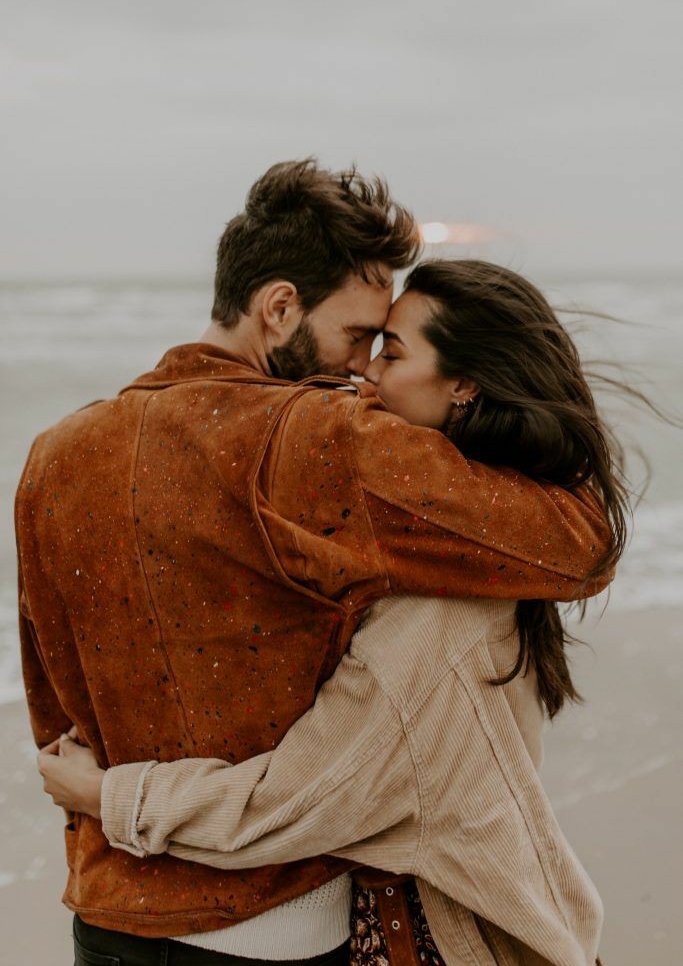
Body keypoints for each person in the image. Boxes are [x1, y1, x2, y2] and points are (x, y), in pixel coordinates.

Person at [18, 162, 612, 966]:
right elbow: (573, 544)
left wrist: (106, 802)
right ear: (279, 307)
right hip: (272, 924)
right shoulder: (318, 439)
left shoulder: (52, 456)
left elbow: (55, 713)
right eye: (357, 334)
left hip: (107, 917)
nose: (360, 367)